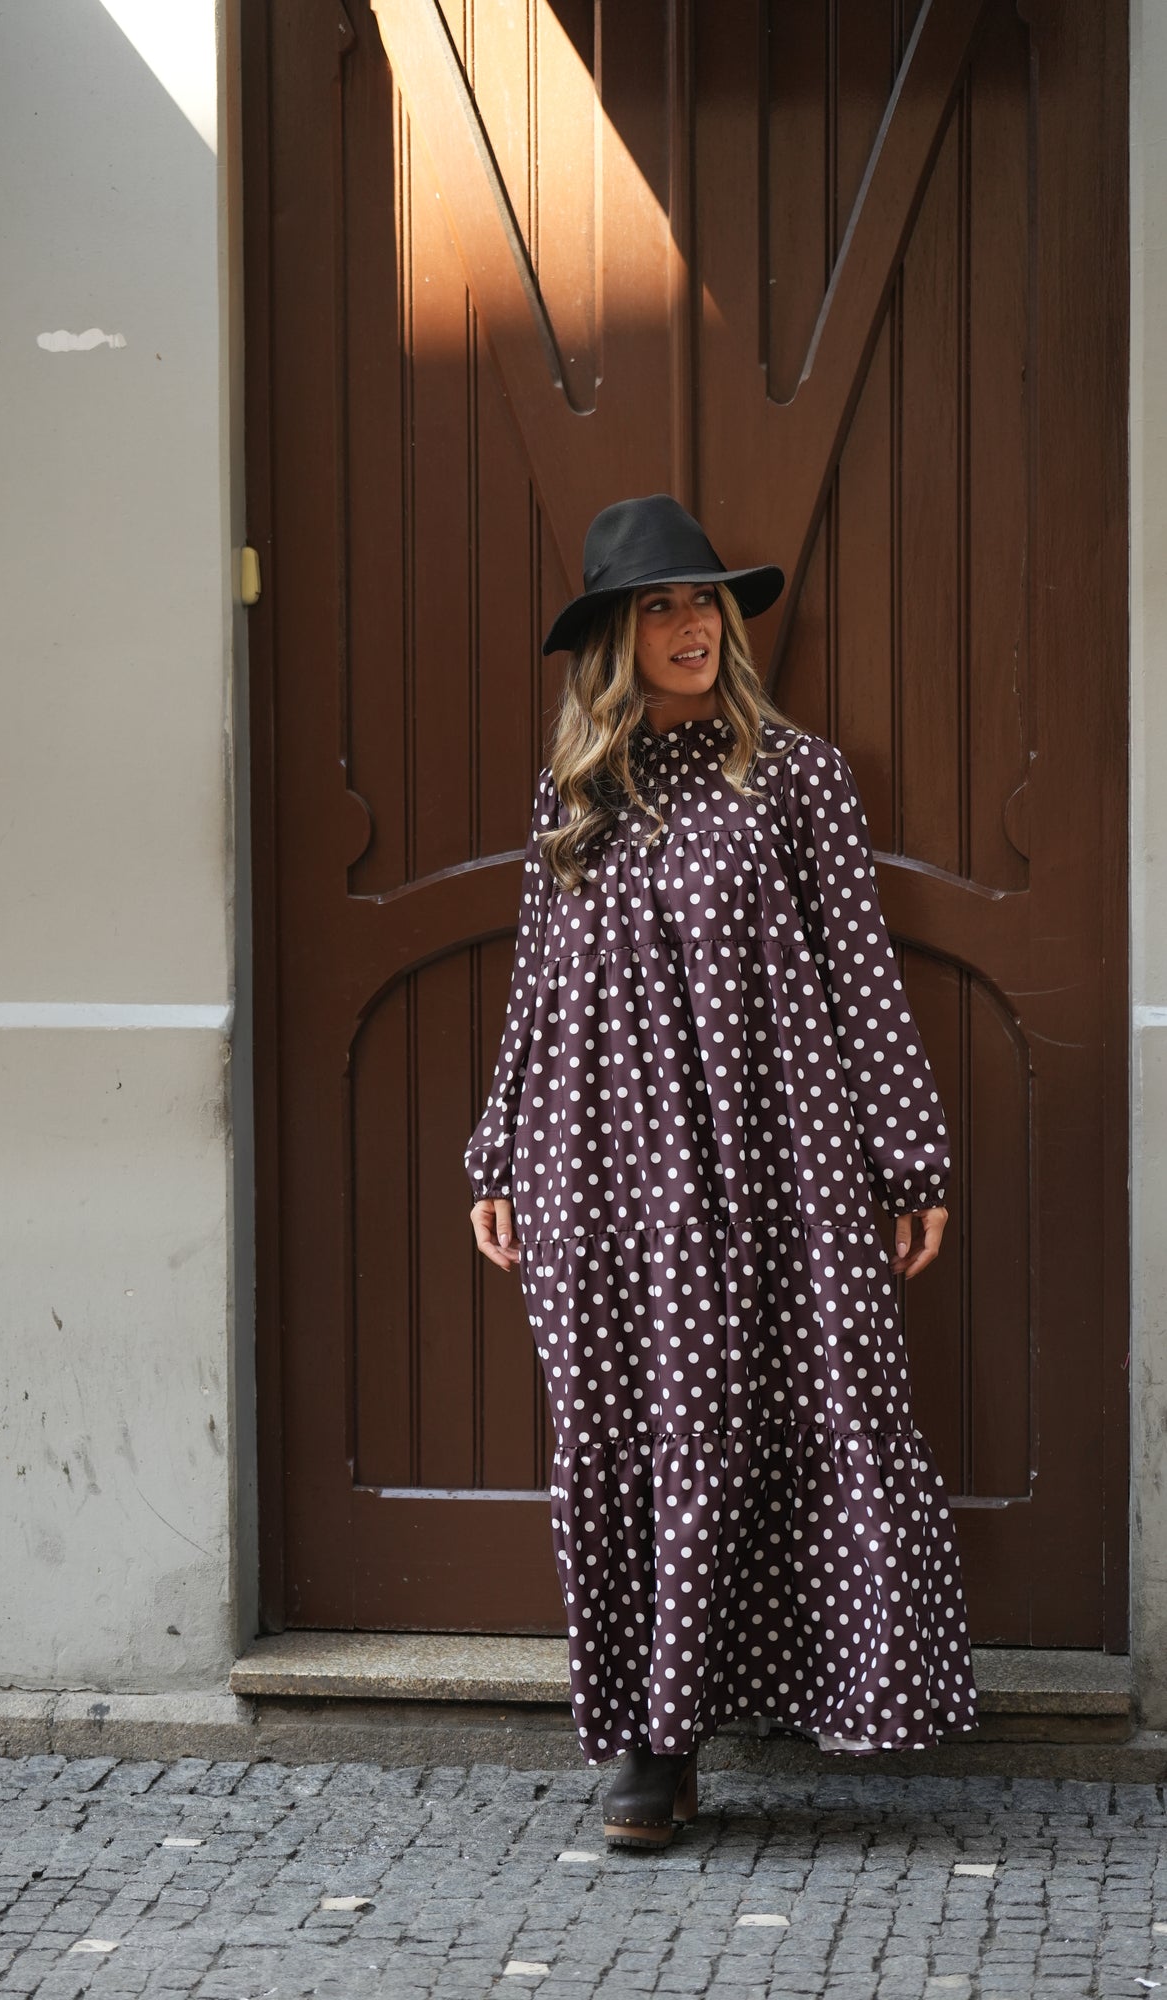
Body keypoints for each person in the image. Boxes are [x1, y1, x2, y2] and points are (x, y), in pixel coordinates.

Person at [463, 493, 978, 1849]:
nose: (692, 627)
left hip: (767, 1156)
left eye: (704, 603)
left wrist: (908, 1156)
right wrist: (496, 1145)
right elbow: (536, 976)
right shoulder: (576, 788)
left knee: (745, 1417)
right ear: (614, 639)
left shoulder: (797, 777)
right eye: (660, 608)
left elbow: (859, 972)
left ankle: (674, 1737)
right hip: (595, 1159)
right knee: (620, 1428)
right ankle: (646, 1733)